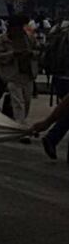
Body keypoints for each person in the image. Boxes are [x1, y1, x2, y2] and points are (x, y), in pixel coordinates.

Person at [0, 15, 39, 135]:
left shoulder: (29, 38)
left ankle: (20, 121)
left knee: (27, 101)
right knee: (18, 102)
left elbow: (39, 51)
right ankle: (20, 128)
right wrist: (12, 54)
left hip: (28, 74)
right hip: (12, 74)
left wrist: (31, 54)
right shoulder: (2, 40)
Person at [40, 21, 69, 160]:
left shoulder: (59, 31)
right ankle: (52, 137)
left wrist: (47, 122)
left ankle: (52, 137)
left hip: (59, 77)